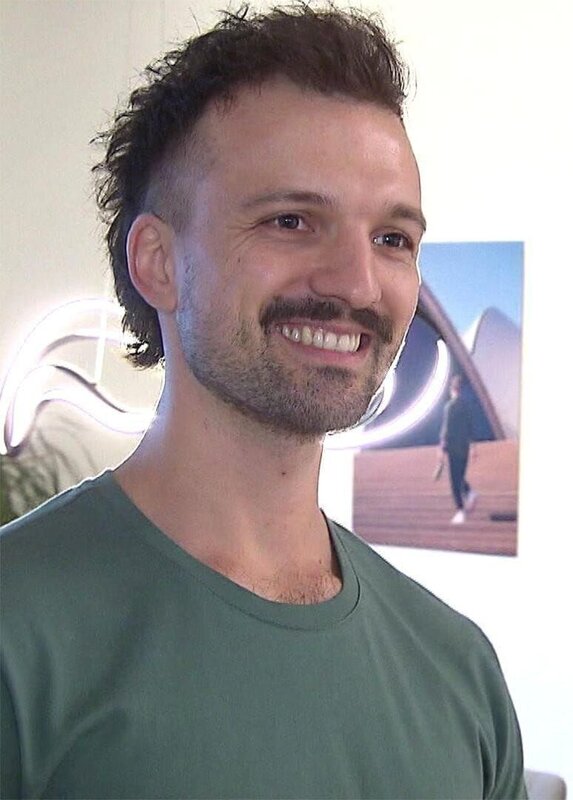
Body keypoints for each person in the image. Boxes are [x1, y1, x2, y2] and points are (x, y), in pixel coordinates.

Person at [0, 6, 527, 799]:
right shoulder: (19, 631)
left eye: (391, 239)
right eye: (291, 221)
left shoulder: (459, 670)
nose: (357, 284)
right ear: (158, 262)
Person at [439, 374, 478, 525]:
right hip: (464, 447)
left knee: (455, 481)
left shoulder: (449, 407)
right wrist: (473, 447)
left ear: (453, 389)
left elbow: (446, 429)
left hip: (453, 447)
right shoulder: (467, 406)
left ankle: (460, 511)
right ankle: (470, 493)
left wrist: (442, 448)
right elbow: (471, 427)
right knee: (460, 476)